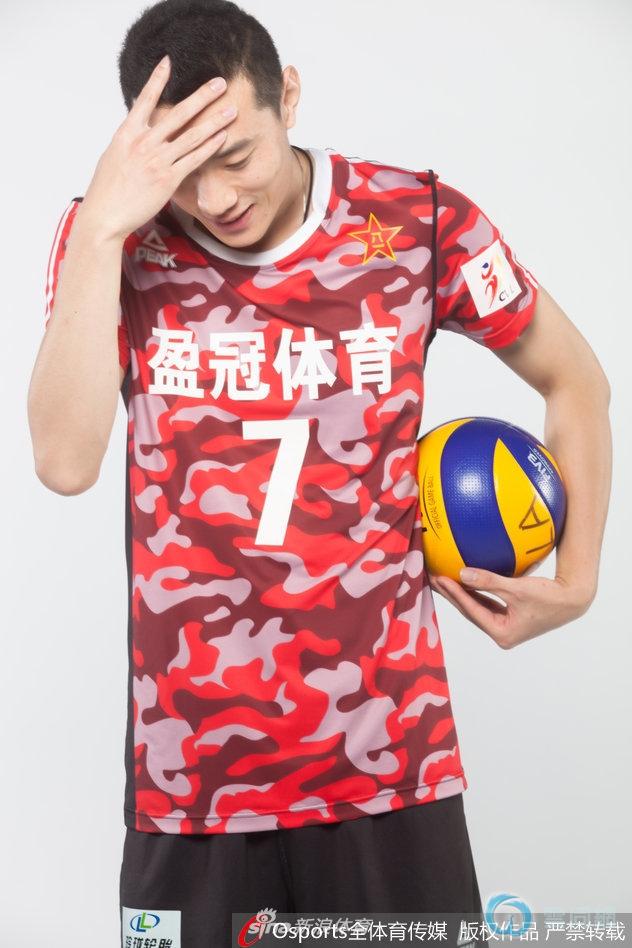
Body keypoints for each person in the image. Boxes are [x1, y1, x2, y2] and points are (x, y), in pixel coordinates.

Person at [27, 1, 612, 946]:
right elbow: (63, 461)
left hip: (391, 762)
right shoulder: (112, 239)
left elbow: (575, 380)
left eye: (236, 155)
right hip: (191, 778)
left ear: (288, 97)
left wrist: (577, 580)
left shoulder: (417, 221)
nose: (215, 197)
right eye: (182, 169)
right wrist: (101, 229)